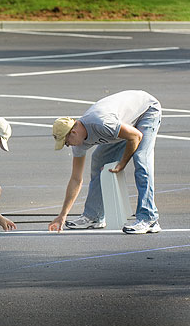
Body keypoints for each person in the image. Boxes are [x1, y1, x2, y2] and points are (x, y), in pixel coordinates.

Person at [49, 90, 161, 235]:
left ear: (74, 133)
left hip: (146, 110)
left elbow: (135, 136)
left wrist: (122, 163)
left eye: (66, 142)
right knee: (99, 160)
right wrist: (62, 215)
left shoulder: (101, 123)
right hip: (122, 124)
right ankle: (94, 217)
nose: (68, 146)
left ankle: (149, 218)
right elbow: (76, 179)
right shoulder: (79, 143)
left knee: (141, 160)